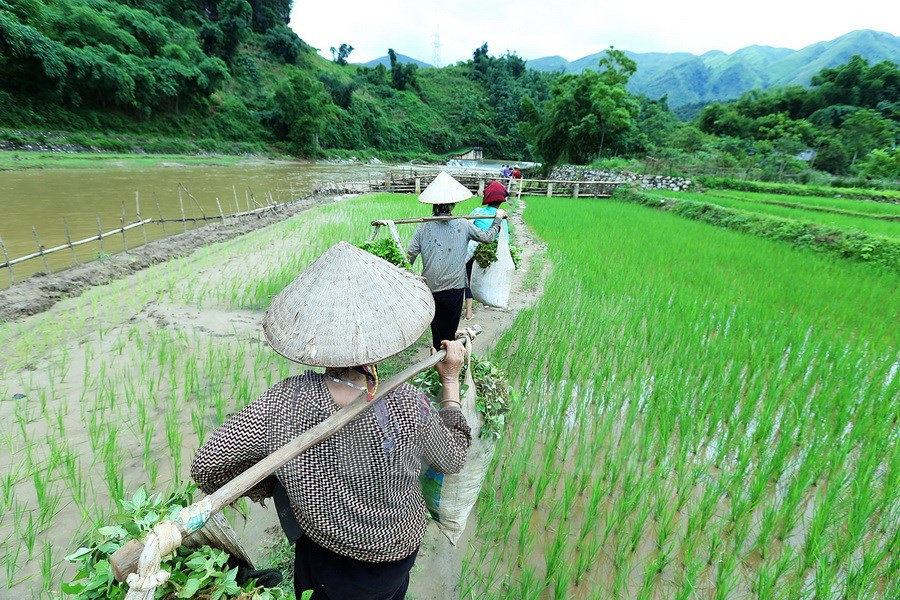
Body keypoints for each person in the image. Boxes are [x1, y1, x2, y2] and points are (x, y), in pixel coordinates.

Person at [191, 242, 472, 600]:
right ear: (384, 333)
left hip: (326, 556)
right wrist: (450, 381)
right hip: (395, 551)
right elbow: (453, 458)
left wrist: (276, 483)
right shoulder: (407, 404)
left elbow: (208, 466)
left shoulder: (283, 402)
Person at [407, 171, 506, 349]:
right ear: (453, 204)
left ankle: (439, 359)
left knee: (437, 332)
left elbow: (409, 257)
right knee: (449, 333)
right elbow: (487, 237)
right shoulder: (463, 224)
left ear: (434, 204)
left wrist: (407, 278)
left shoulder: (423, 226)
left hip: (432, 289)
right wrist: (497, 219)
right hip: (455, 288)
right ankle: (447, 361)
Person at [464, 180, 510, 320]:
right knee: (485, 276)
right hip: (489, 253)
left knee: (468, 278)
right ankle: (486, 298)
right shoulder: (501, 216)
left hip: (472, 253)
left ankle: (468, 312)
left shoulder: (477, 212)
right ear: (501, 201)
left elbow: (466, 227)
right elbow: (505, 239)